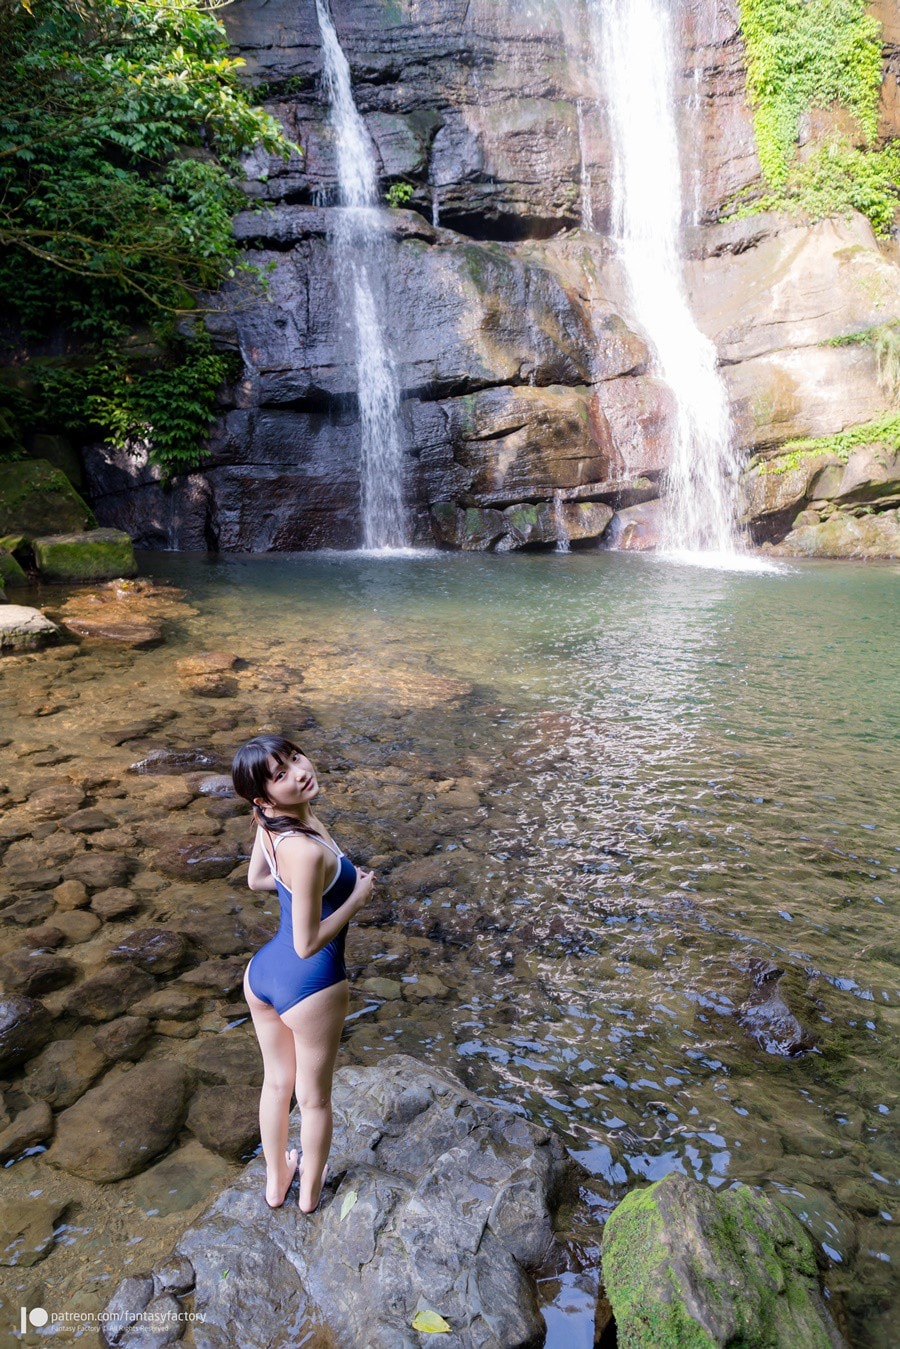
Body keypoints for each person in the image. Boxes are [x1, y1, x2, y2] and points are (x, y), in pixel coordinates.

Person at [231, 733, 374, 1212]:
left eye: (295, 758)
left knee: (276, 1084)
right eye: (281, 774)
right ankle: (309, 1196)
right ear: (263, 796)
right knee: (313, 1100)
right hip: (312, 984)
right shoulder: (306, 850)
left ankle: (276, 1185)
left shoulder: (272, 823)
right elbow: (307, 943)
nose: (299, 772)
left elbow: (256, 879)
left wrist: (301, 890)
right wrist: (355, 899)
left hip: (263, 975)